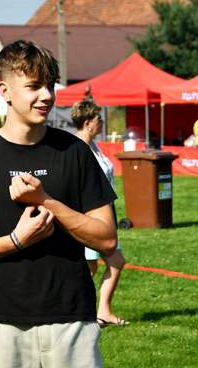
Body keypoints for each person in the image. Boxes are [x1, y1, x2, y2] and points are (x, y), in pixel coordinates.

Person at [0, 39, 117, 368]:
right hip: (1, 324)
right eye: (34, 86)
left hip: (72, 320)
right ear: (5, 90)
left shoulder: (75, 152)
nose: (46, 95)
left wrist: (46, 200)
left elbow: (107, 239)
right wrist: (17, 241)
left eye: (50, 85)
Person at [72, 99, 129, 327]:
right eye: (99, 120)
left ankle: (101, 311)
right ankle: (74, 311)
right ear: (87, 123)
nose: (102, 124)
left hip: (106, 214)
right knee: (98, 265)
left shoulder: (94, 145)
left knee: (106, 264)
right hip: (89, 216)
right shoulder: (77, 148)